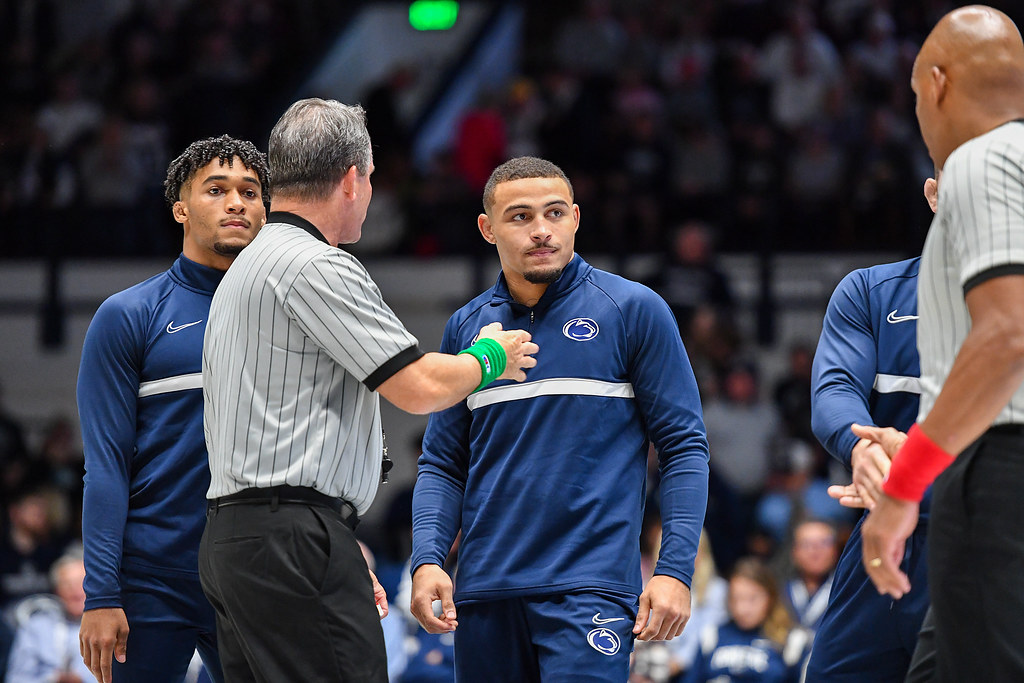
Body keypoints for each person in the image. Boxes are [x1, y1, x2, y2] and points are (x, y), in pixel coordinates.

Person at [199, 98, 537, 683]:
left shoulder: (244, 267)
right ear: (352, 180)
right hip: (290, 539)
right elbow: (419, 387)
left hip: (241, 537)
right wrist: (490, 357)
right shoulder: (316, 264)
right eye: (374, 177)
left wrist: (333, 539)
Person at [409, 156, 710, 681]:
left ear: (575, 217)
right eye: (520, 217)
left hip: (589, 589)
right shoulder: (465, 327)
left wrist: (675, 570)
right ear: (488, 228)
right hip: (483, 593)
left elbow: (685, 449)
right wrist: (428, 558)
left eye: (553, 213)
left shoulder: (634, 310)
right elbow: (441, 463)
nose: (541, 231)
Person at [857, 6, 1024, 680]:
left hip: (998, 474)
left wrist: (904, 486)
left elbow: (1008, 333)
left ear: (937, 82)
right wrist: (937, 429)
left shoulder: (979, 160)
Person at [77, 135, 271, 683]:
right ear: (181, 208)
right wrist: (100, 594)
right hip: (152, 576)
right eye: (217, 189)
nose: (237, 202)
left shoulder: (290, 316)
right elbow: (107, 466)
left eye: (250, 192)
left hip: (255, 573)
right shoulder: (128, 315)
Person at [803, 177, 939, 682]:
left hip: (986, 539)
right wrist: (863, 449)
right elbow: (834, 390)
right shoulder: (868, 292)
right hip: (883, 532)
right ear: (933, 193)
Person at [683, 558, 808, 683]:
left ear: (771, 597)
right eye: (736, 599)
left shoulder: (792, 641)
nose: (742, 609)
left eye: (752, 599)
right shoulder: (711, 636)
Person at [5, 550, 91, 683]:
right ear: (56, 591)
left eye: (81, 582)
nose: (75, 590)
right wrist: (52, 680)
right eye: (67, 584)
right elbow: (15, 678)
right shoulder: (36, 627)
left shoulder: (109, 625)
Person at [781, 519, 837, 635]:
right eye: (806, 544)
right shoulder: (777, 591)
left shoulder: (848, 591)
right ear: (794, 551)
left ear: (835, 549)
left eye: (824, 543)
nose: (815, 551)